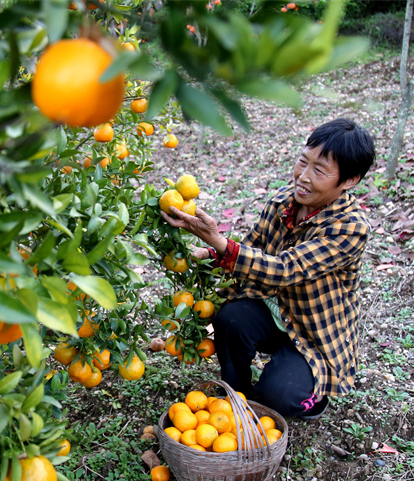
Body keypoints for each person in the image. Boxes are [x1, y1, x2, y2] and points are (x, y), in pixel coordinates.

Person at [161, 118, 376, 420]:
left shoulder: (350, 228)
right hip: (276, 314)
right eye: (303, 161)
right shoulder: (281, 204)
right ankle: (235, 395)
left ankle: (310, 395)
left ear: (350, 180)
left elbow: (287, 269)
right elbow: (249, 250)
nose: (303, 176)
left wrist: (221, 244)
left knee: (281, 396)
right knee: (231, 318)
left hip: (314, 332)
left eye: (319, 170)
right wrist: (206, 254)